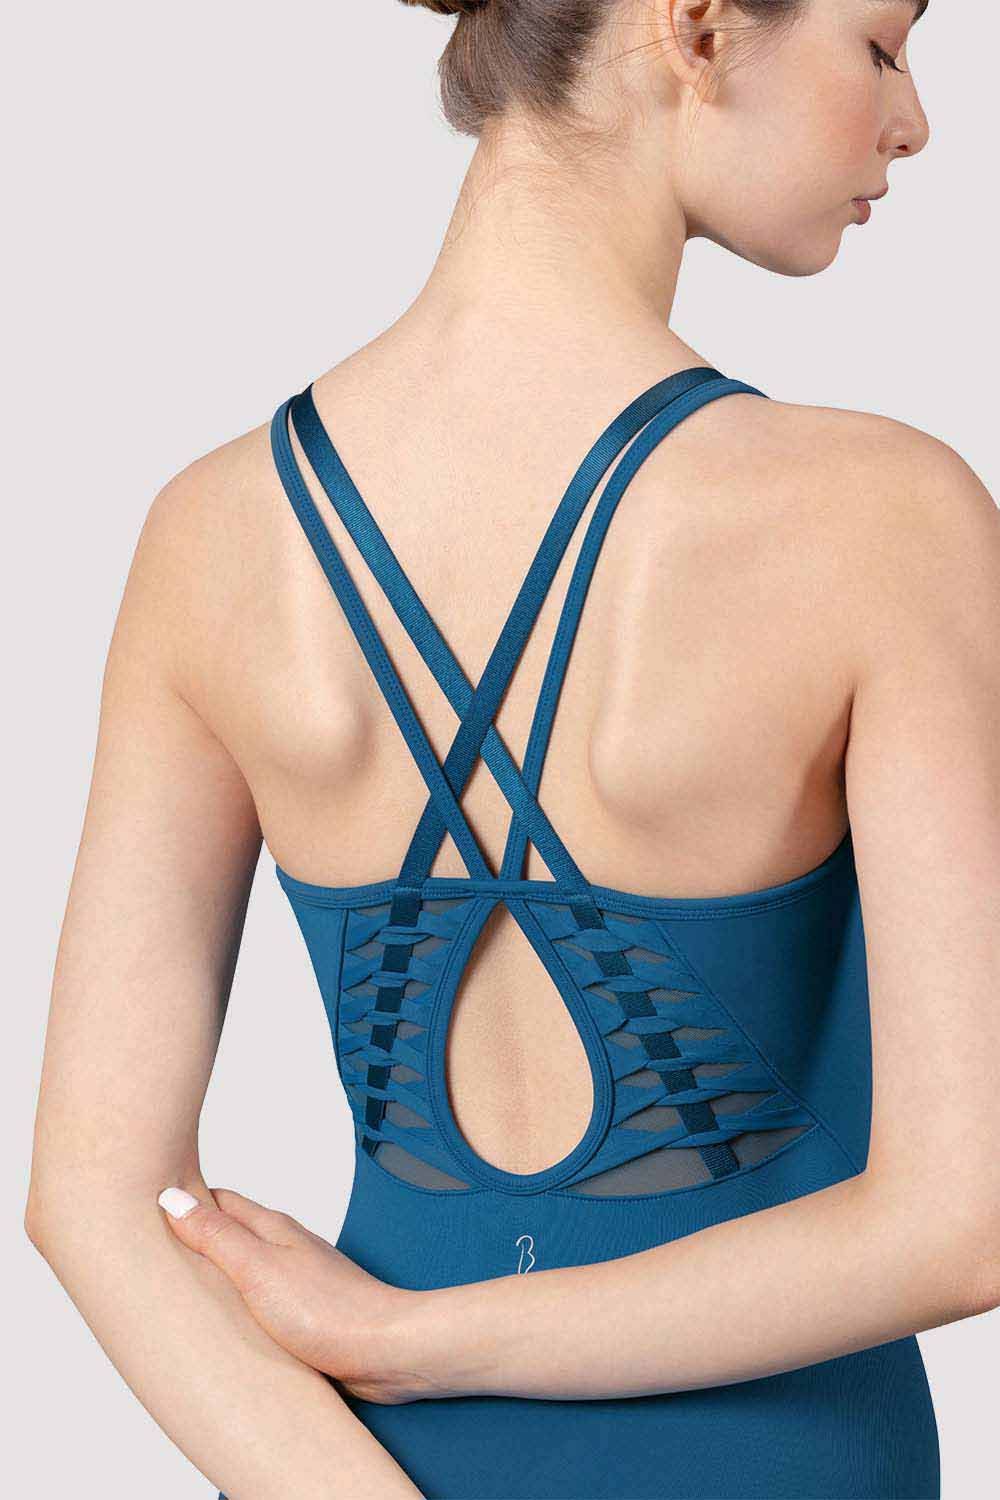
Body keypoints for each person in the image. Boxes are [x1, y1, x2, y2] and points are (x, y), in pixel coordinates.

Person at [25, 1, 999, 1497]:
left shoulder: (211, 532)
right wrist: (420, 1342)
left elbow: (93, 1201)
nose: (911, 122)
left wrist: (393, 1368)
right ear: (697, 24)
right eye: (880, 44)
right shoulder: (886, 517)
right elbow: (964, 1217)